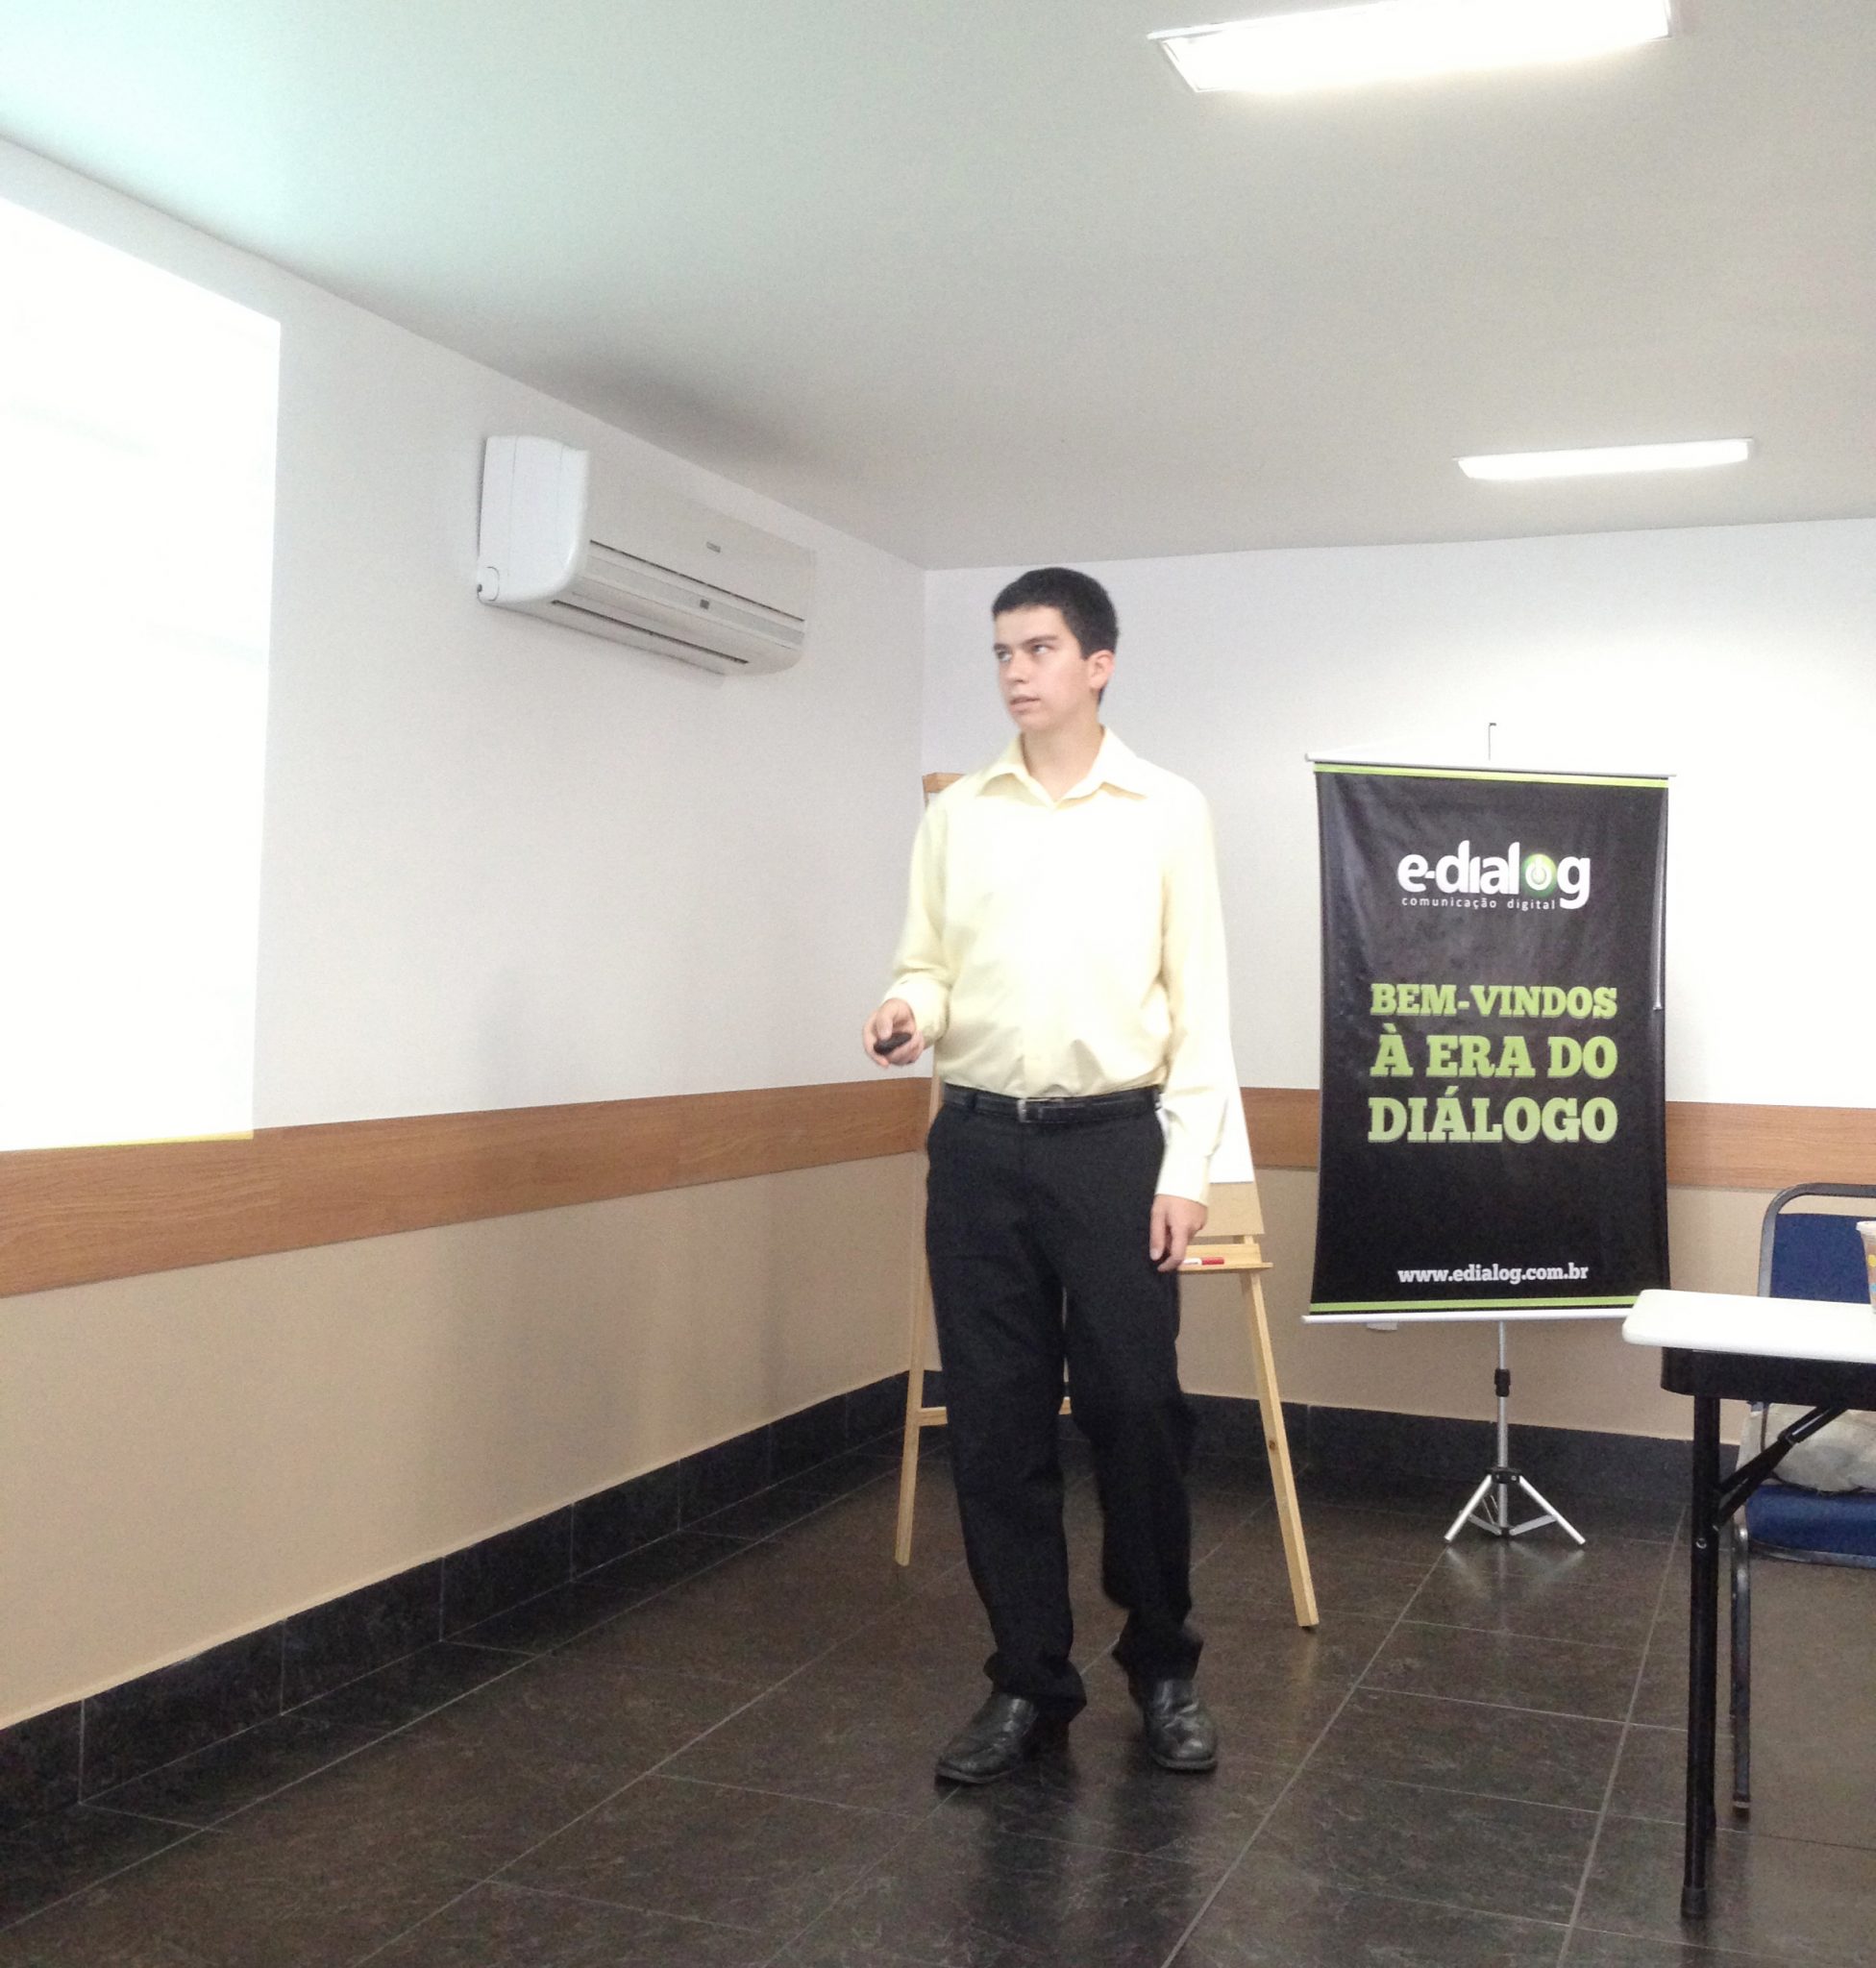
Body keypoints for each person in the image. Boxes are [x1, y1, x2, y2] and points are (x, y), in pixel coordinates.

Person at [862, 566, 1234, 1784]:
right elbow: (927, 963)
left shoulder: (1165, 808)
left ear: (1097, 663)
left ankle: (1163, 1663)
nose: (1015, 671)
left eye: (1037, 648)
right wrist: (908, 1009)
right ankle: (1028, 1677)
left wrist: (1187, 1170)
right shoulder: (959, 814)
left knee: (1137, 1409)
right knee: (994, 1424)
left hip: (1114, 1147)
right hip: (977, 1148)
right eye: (1000, 652)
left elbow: (1200, 1002)